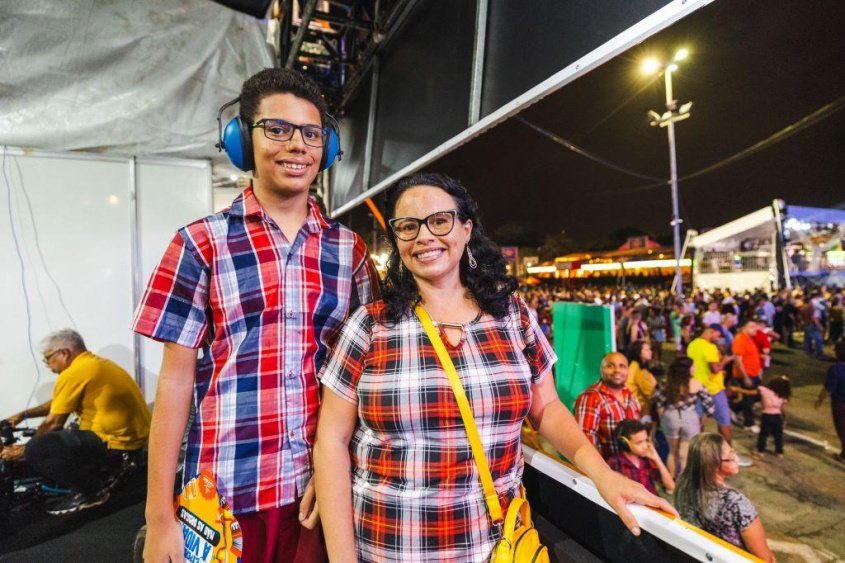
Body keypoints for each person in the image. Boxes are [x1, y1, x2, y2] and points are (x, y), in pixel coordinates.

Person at [313, 173, 675, 562]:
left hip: (494, 548)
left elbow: (548, 408)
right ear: (396, 238)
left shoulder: (512, 316)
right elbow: (331, 441)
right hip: (392, 548)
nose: (424, 237)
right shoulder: (370, 325)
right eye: (407, 226)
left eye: (440, 221)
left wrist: (603, 475)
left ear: (466, 228)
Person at [132, 68, 379, 563]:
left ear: (327, 149)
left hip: (315, 493)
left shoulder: (348, 251)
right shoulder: (199, 243)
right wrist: (159, 518)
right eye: (277, 129)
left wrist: (341, 474)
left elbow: (359, 378)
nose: (297, 145)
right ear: (242, 140)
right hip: (223, 492)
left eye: (312, 133)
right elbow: (176, 382)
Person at [1, 329, 151, 515]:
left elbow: (53, 423)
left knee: (38, 448)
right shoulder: (92, 364)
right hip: (135, 441)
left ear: (63, 353)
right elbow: (60, 401)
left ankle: (92, 491)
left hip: (116, 445)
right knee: (63, 433)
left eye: (47, 358)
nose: (47, 365)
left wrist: (23, 449)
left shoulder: (73, 373)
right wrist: (23, 415)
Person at [675, 433, 776, 562]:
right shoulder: (736, 503)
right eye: (730, 456)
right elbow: (763, 558)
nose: (737, 459)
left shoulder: (683, 484)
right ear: (714, 465)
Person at [687, 326, 744, 459]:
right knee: (724, 422)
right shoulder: (709, 347)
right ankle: (729, 455)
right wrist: (726, 360)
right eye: (718, 335)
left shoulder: (692, 344)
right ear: (711, 331)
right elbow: (715, 368)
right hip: (714, 389)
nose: (718, 339)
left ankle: (699, 454)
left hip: (697, 388)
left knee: (698, 423)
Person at [652, 357, 715, 476]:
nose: (695, 368)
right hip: (690, 418)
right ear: (687, 369)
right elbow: (710, 406)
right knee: (685, 452)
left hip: (670, 416)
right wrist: (703, 419)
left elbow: (659, 403)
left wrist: (662, 419)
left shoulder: (666, 382)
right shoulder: (697, 383)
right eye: (693, 366)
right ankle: (683, 482)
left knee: (672, 452)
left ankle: (671, 483)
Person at [575, 352, 641, 459]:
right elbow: (585, 443)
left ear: (628, 370)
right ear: (601, 369)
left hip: (631, 470)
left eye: (622, 366)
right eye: (610, 366)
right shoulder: (591, 397)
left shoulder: (631, 396)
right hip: (607, 470)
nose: (617, 370)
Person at [607, 419, 675, 495]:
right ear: (625, 444)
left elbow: (671, 487)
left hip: (651, 501)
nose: (645, 446)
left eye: (646, 440)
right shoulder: (615, 462)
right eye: (639, 442)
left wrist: (657, 459)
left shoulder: (647, 459)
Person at [816, 340, 845, 465]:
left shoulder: (836, 369)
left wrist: (819, 400)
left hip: (840, 403)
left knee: (842, 429)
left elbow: (828, 389)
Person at [732, 319, 763, 431]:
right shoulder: (740, 339)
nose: (756, 329)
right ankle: (749, 424)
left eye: (756, 326)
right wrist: (745, 376)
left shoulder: (749, 339)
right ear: (744, 328)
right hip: (746, 375)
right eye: (752, 326)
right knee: (748, 399)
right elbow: (738, 360)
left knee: (753, 397)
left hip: (753, 374)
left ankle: (735, 409)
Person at [754, 375, 791, 458]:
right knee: (778, 435)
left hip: (767, 416)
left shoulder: (765, 391)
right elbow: (782, 408)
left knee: (763, 434)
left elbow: (757, 389)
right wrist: (784, 418)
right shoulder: (782, 396)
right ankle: (779, 452)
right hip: (777, 417)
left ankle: (761, 451)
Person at [625, 340, 657, 425]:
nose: (650, 352)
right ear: (638, 353)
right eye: (646, 350)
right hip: (639, 410)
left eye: (650, 349)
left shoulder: (632, 365)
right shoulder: (639, 370)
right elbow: (650, 392)